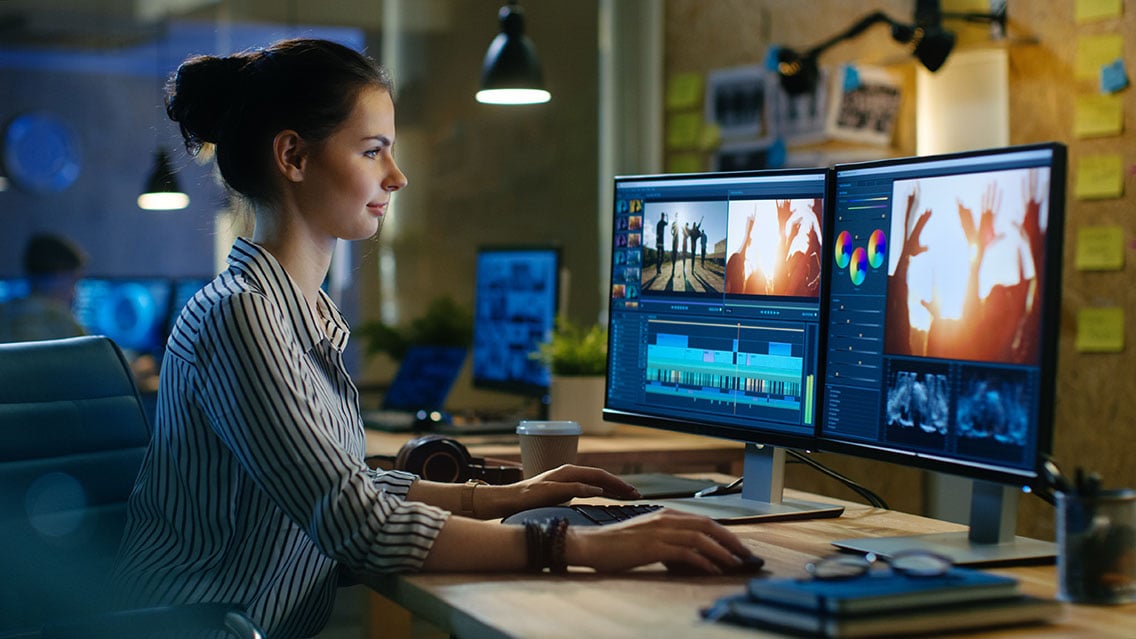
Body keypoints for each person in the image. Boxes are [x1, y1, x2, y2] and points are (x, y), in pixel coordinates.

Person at [111, 39, 751, 639]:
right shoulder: (241, 318)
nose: (397, 176)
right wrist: (580, 544)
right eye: (372, 151)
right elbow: (355, 521)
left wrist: (507, 497)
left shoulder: (290, 313)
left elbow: (349, 484)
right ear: (294, 158)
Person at [0, 233, 87, 343]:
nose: (74, 293)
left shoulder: (4, 314)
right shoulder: (64, 323)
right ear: (59, 274)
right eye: (75, 281)